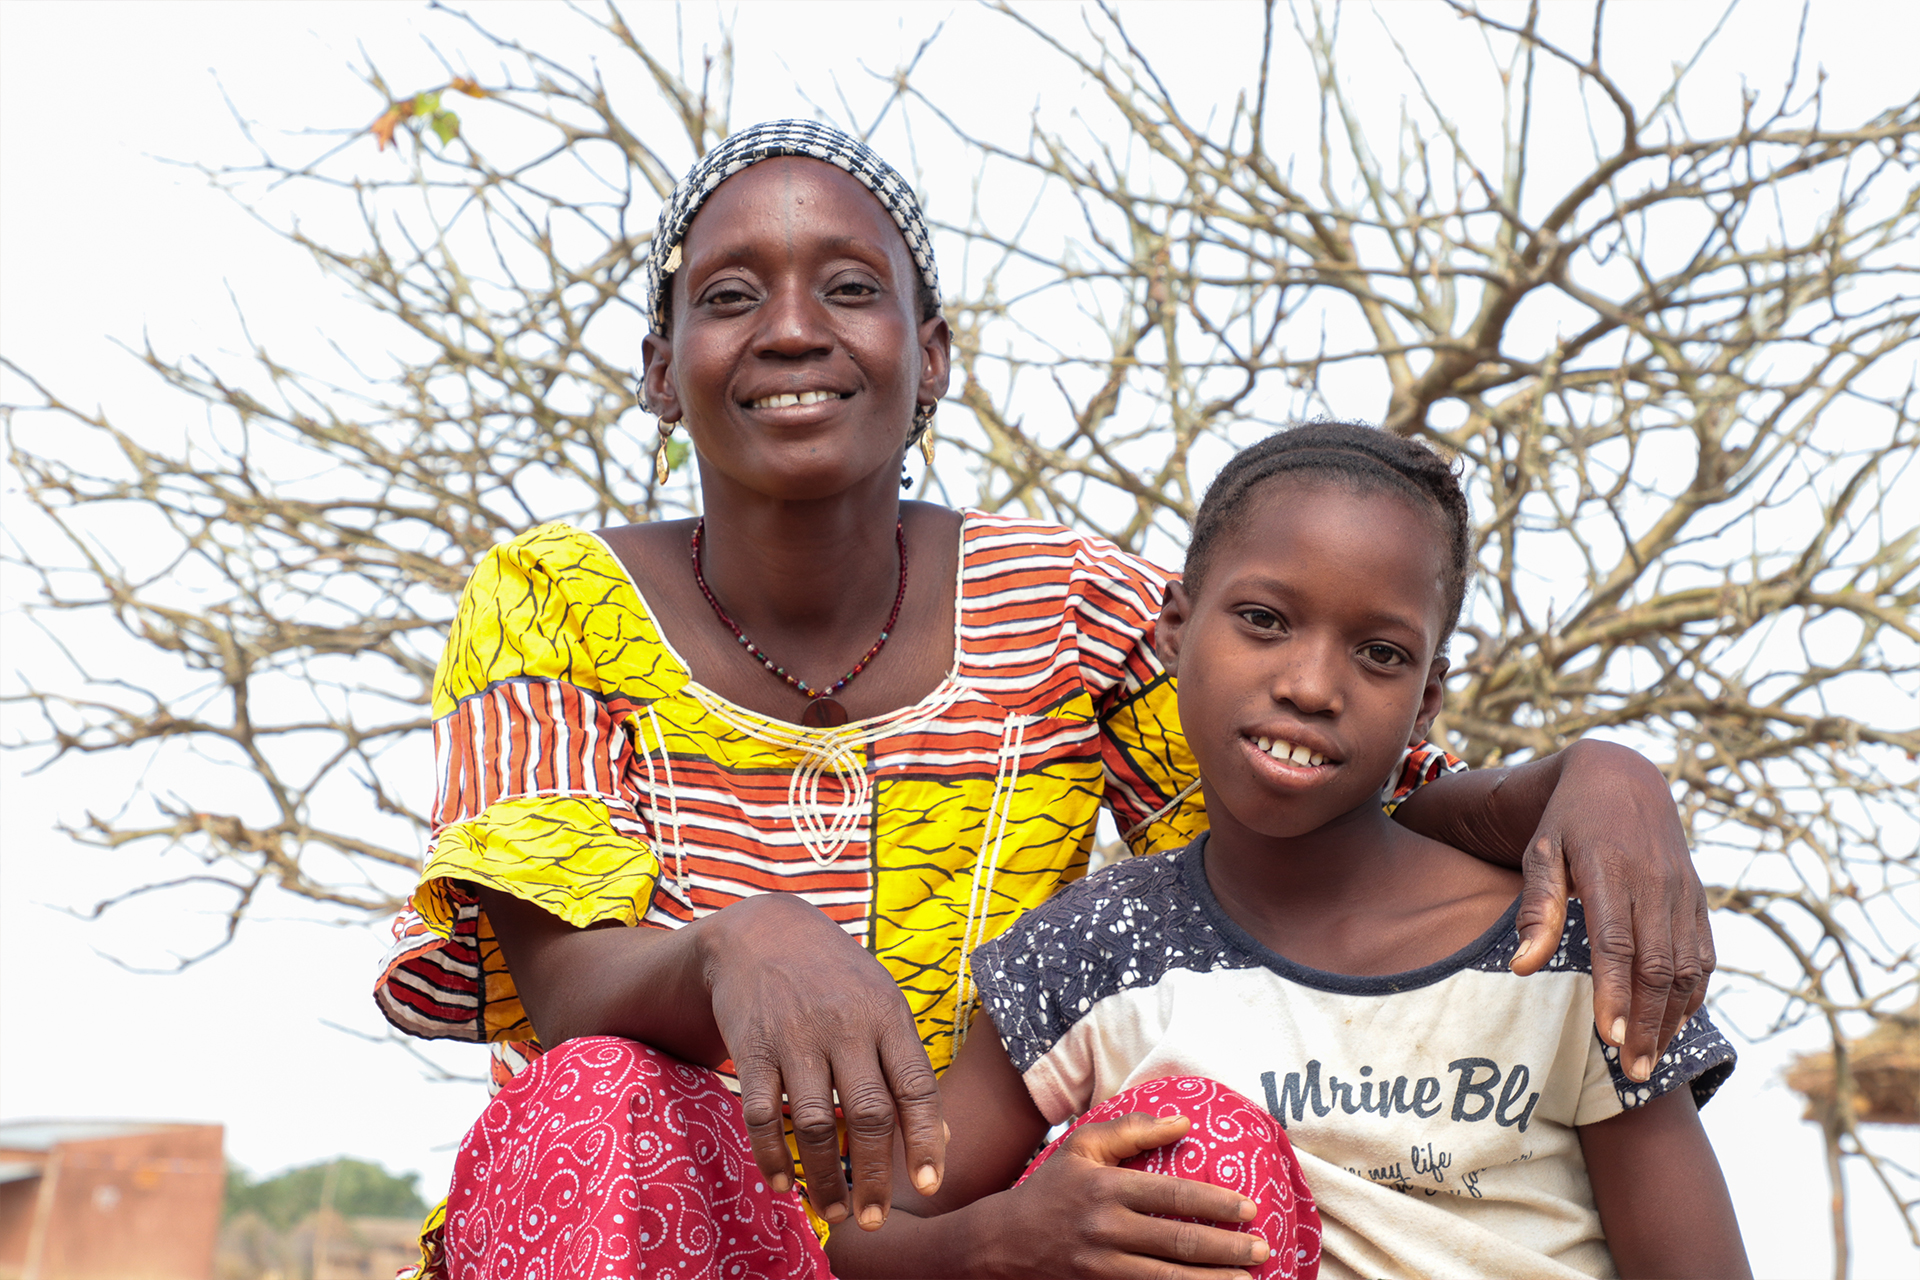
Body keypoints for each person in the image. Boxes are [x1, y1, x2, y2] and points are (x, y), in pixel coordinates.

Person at [370, 120, 1718, 1279]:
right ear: (661, 367)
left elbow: (1354, 796)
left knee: (1201, 1147)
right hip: (655, 1229)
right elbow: (558, 991)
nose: (792, 328)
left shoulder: (1070, 605)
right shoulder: (546, 598)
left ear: (932, 355)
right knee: (592, 1098)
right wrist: (734, 942)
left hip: (979, 1231)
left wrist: (1592, 779)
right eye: (728, 296)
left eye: (848, 286)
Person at [828, 423, 1749, 1280]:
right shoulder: (1097, 949)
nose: (1311, 686)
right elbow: (870, 1237)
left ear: (1429, 698)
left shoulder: (1555, 946)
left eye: (1379, 654)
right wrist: (1011, 1236)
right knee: (1204, 1144)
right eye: (1265, 620)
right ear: (1176, 631)